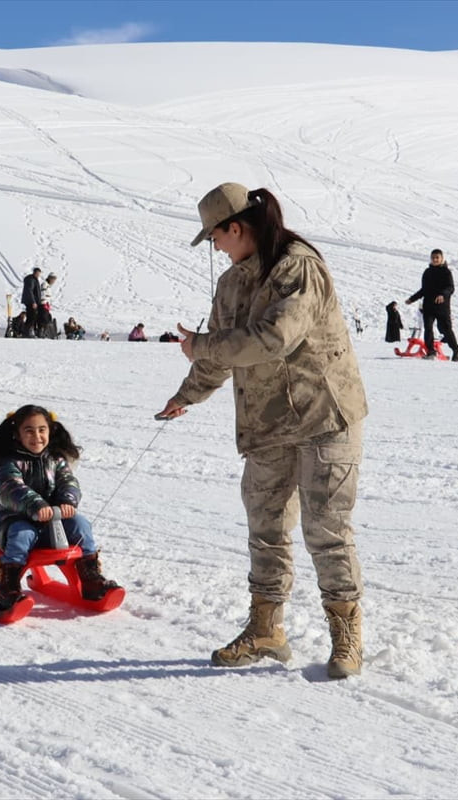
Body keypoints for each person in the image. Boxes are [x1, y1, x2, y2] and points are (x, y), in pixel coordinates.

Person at [157, 182, 369, 680]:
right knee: (266, 528)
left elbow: (273, 338)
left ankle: (346, 636)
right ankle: (266, 629)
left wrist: (205, 347)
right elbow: (218, 352)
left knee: (326, 530)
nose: (215, 248)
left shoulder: (298, 267)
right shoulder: (231, 284)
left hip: (324, 417)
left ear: (236, 228)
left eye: (215, 238)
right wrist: (186, 395)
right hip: (268, 422)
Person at [0, 404, 121, 615]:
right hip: (13, 523)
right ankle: (8, 588)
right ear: (17, 434)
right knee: (22, 534)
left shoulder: (56, 460)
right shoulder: (9, 463)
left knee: (81, 524)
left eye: (41, 430)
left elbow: (68, 482)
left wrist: (67, 501)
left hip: (53, 525)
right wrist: (36, 505)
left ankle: (91, 579)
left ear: (50, 431)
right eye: (29, 431)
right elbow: (10, 488)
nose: (36, 436)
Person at [405, 249, 458, 362]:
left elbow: (450, 288)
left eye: (437, 257)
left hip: (442, 306)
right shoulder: (427, 272)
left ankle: (456, 349)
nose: (435, 259)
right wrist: (412, 299)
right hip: (428, 306)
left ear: (441, 258)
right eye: (433, 257)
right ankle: (431, 351)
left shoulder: (446, 272)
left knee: (445, 329)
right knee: (428, 328)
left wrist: (443, 295)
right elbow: (424, 290)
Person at [20, 268, 43, 338]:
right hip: (31, 302)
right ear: (35, 272)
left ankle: (28, 331)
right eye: (38, 273)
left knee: (32, 316)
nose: (39, 275)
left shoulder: (34, 279)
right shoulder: (31, 279)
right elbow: (29, 291)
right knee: (31, 316)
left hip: (32, 301)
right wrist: (33, 302)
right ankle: (27, 332)